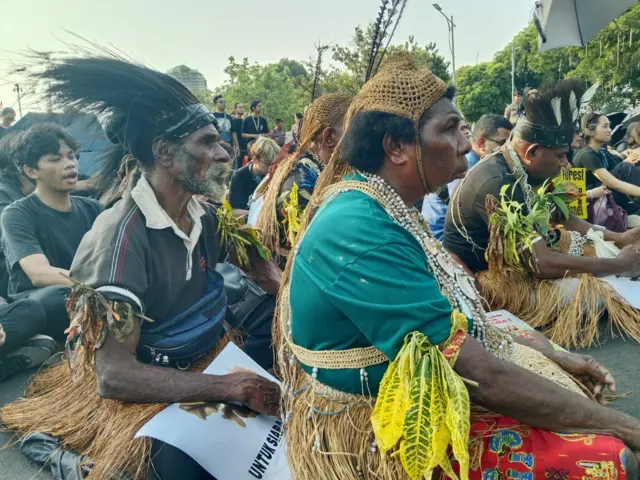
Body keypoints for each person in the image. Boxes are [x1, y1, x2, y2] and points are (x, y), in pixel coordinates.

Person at [275, 54, 639, 480]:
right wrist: (625, 426)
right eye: (449, 129)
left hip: (441, 364)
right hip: (377, 413)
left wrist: (557, 357)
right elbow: (481, 373)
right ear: (395, 147)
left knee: (537, 348)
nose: (467, 142)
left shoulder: (387, 202)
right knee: (611, 458)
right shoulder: (360, 227)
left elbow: (467, 319)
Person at [1, 55, 281, 480]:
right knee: (176, 466)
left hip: (206, 352)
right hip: (147, 376)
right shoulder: (120, 240)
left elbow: (265, 274)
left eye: (219, 142)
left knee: (269, 318)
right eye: (207, 142)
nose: (225, 153)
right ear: (165, 151)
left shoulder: (206, 215)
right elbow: (113, 376)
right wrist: (228, 387)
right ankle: (73, 460)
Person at [444, 80, 640, 348]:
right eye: (560, 156)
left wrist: (620, 237)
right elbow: (542, 264)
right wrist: (618, 266)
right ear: (533, 152)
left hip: (526, 258)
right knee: (600, 293)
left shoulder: (527, 167)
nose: (566, 164)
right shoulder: (496, 182)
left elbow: (563, 218)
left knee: (605, 250)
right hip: (494, 278)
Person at [1, 124, 103, 347]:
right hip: (42, 298)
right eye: (55, 159)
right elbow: (39, 274)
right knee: (57, 299)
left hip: (91, 291)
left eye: (72, 156)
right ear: (31, 171)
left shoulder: (93, 208)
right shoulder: (17, 213)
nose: (69, 164)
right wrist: (96, 282)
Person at [255, 93, 352, 262]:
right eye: (354, 130)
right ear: (329, 137)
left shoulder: (320, 169)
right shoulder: (300, 183)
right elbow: (316, 256)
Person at [422, 114, 513, 240]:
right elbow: (463, 214)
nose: (508, 150)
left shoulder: (482, 164)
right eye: (502, 143)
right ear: (482, 143)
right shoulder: (466, 166)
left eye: (510, 145)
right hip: (441, 242)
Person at [573, 112, 640, 215]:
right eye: (605, 126)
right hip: (593, 204)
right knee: (625, 168)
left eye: (609, 126)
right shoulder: (586, 155)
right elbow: (613, 183)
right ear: (590, 130)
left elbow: (615, 163)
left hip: (610, 199)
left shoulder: (602, 152)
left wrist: (623, 155)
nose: (609, 130)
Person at [228, 136, 279, 210]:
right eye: (267, 164)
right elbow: (234, 211)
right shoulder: (239, 176)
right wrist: (256, 214)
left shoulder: (273, 175)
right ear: (255, 159)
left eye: (274, 164)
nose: (271, 168)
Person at [232, 102, 246, 169]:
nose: (242, 109)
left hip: (247, 151)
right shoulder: (232, 122)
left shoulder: (246, 122)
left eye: (242, 107)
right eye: (239, 107)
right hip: (236, 151)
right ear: (235, 109)